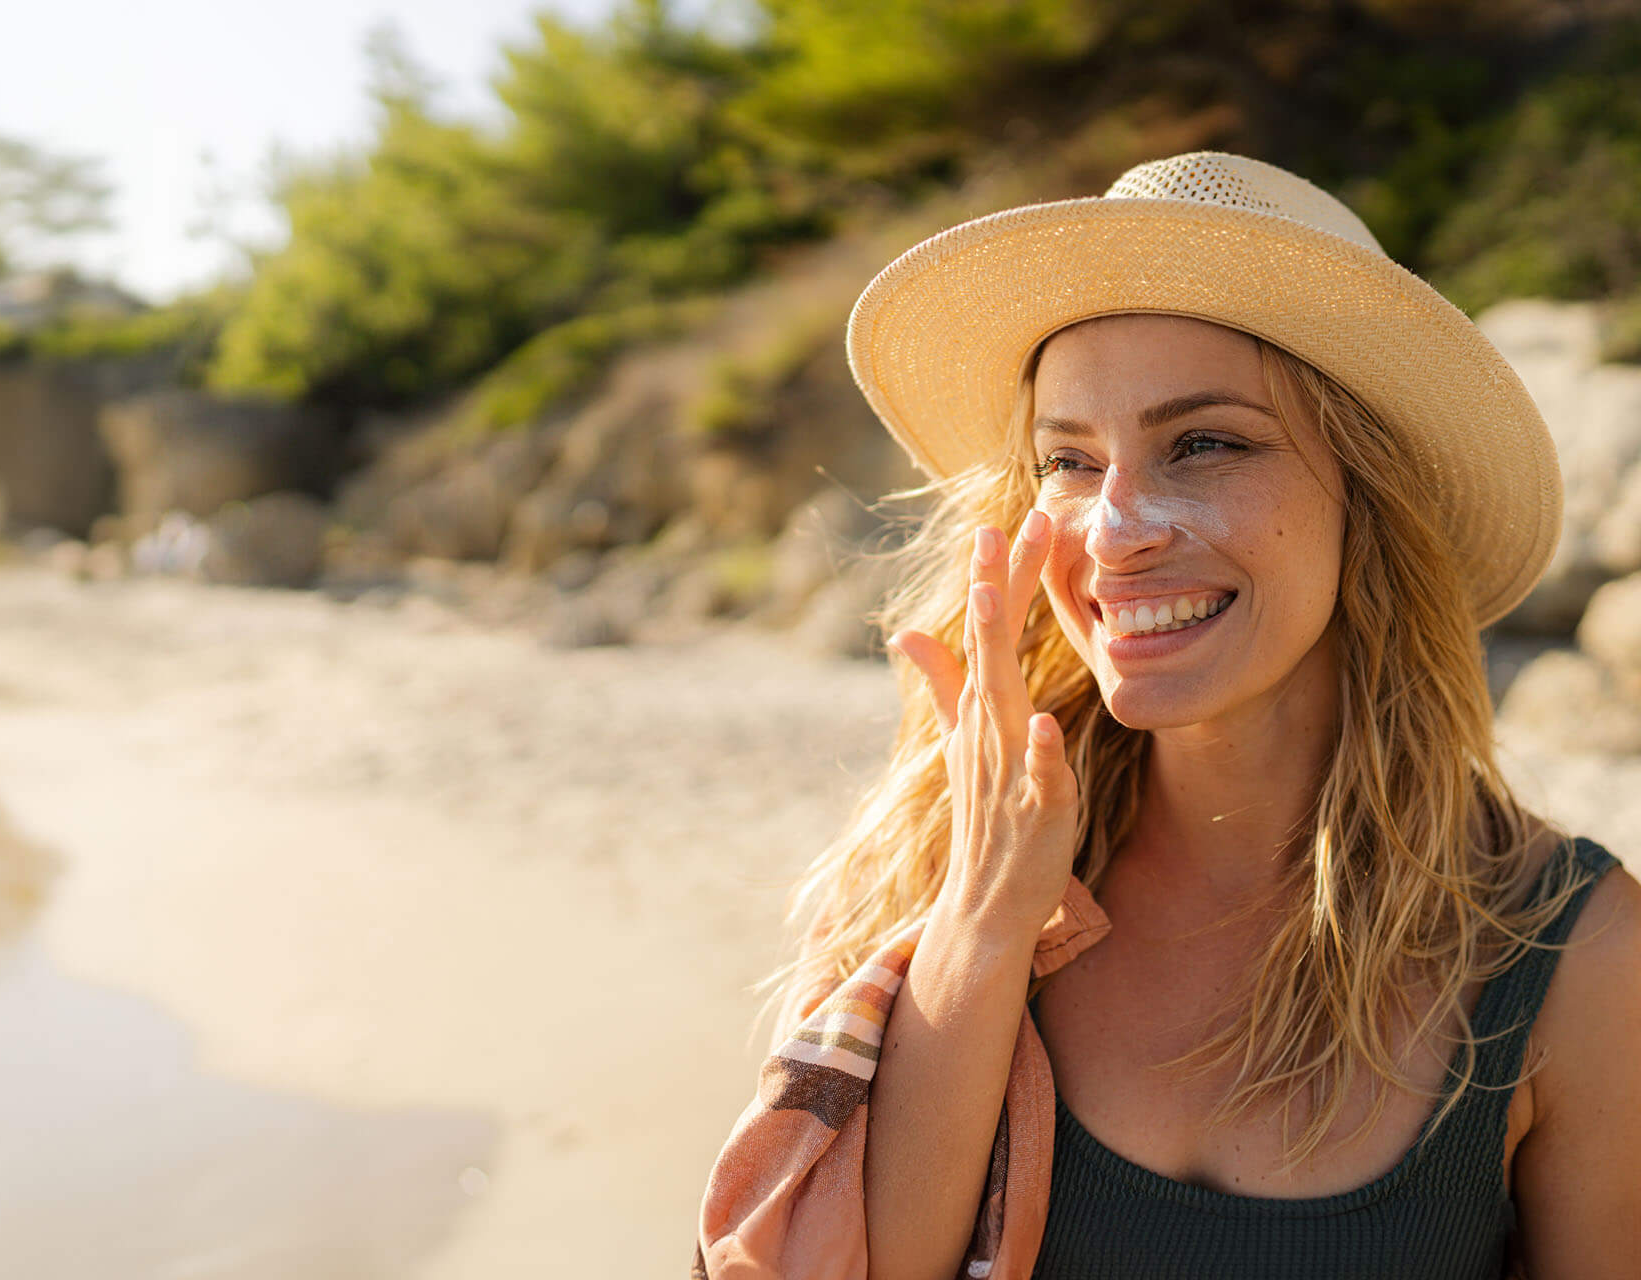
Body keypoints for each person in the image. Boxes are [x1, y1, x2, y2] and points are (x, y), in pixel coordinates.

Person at [702, 152, 1641, 1278]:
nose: (1112, 529)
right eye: (1069, 459)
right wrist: (987, 917)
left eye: (1204, 442)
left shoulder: (1572, 951)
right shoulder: (926, 875)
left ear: (1370, 497)